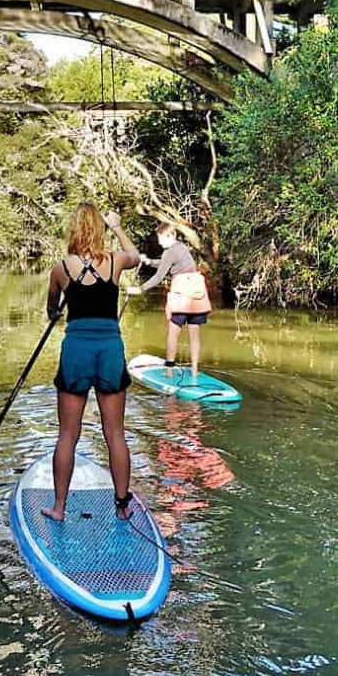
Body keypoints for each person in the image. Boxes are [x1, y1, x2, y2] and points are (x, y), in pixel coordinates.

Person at [42, 202, 140, 522]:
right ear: (99, 229)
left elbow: (53, 311)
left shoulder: (61, 268)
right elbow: (136, 257)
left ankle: (58, 508)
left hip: (76, 351)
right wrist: (117, 226)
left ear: (73, 229)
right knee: (115, 433)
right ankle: (123, 507)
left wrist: (56, 311)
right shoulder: (114, 262)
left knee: (68, 434)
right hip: (109, 348)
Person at [127, 222, 211, 378]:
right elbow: (167, 263)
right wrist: (150, 262)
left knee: (173, 333)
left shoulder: (168, 252)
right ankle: (194, 371)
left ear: (171, 235)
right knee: (194, 335)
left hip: (182, 298)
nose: (159, 242)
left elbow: (159, 276)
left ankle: (169, 371)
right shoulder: (182, 248)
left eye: (161, 238)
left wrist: (139, 289)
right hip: (197, 297)